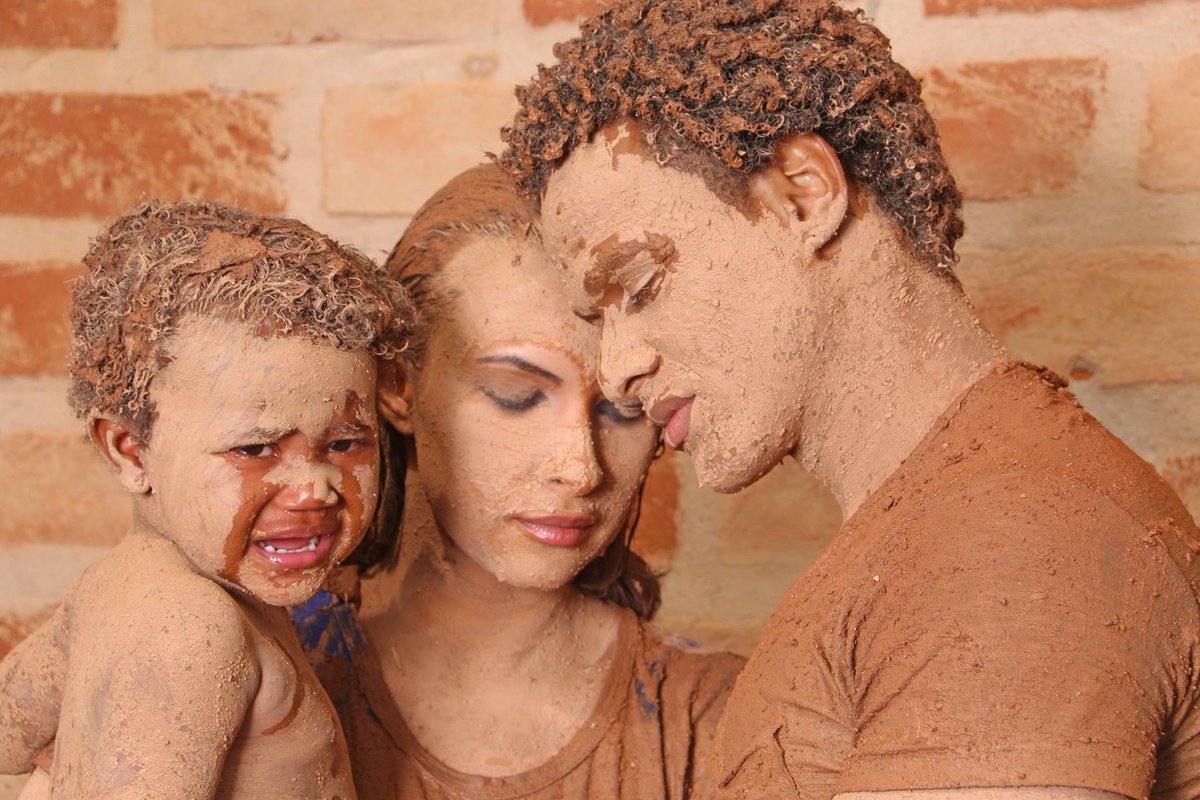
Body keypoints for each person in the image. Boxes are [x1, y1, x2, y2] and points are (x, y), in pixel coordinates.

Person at [498, 1, 1200, 798]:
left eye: (640, 285)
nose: (617, 369)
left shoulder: (1010, 541)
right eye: (598, 321)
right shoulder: (945, 522)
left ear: (804, 195)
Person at [291, 164, 746, 800]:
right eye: (516, 395)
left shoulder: (718, 722)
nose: (581, 469)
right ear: (398, 385)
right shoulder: (270, 675)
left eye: (623, 409)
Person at [0, 200, 411, 799]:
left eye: (346, 443)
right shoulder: (192, 631)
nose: (315, 489)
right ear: (131, 452)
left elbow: (8, 733)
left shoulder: (111, 587)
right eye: (255, 449)